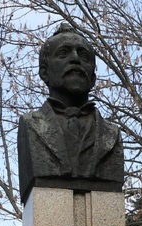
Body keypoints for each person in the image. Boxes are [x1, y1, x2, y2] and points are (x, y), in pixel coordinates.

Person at [17, 23, 124, 204]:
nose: (75, 59)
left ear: (93, 78)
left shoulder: (111, 135)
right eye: (63, 53)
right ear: (44, 72)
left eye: (83, 56)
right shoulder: (30, 127)